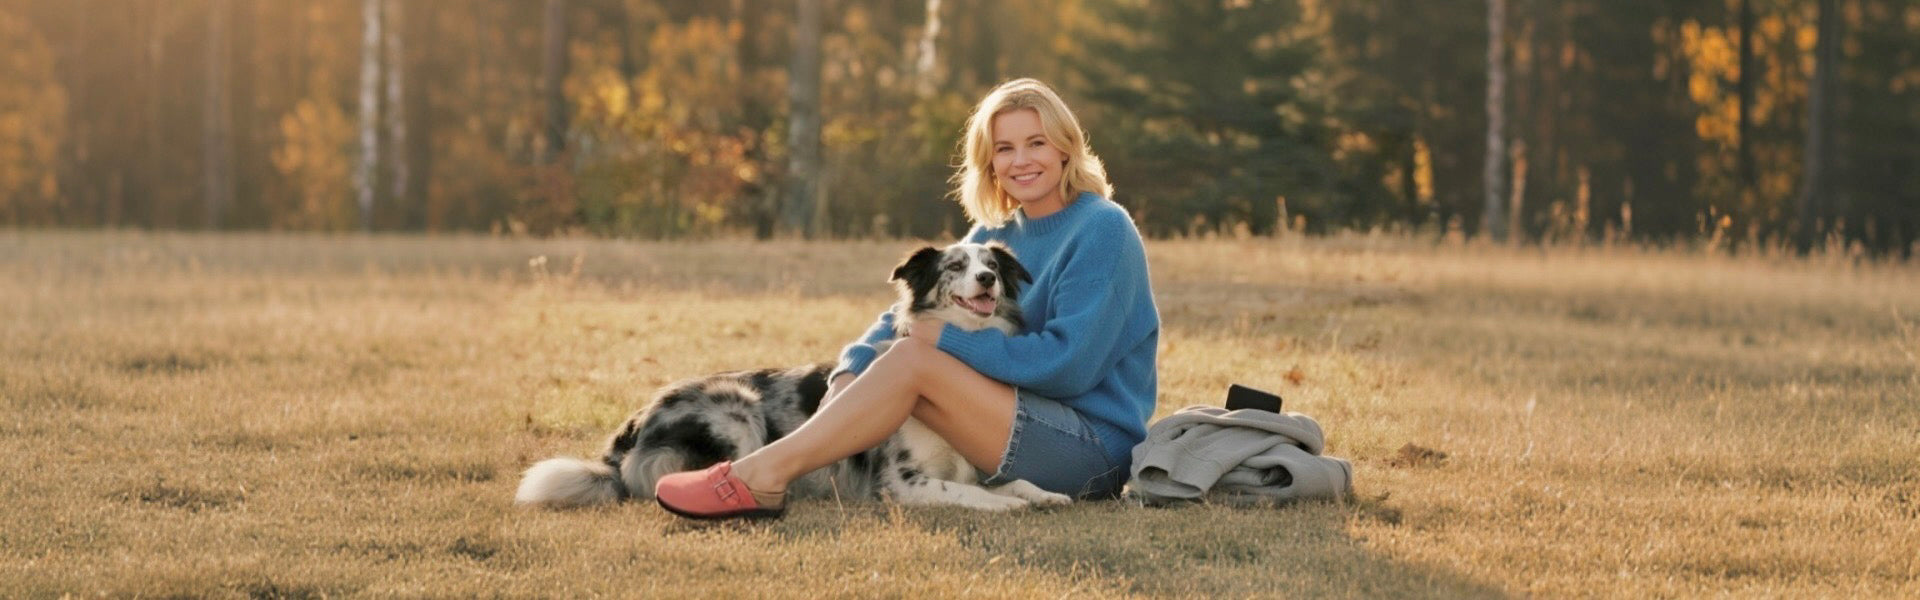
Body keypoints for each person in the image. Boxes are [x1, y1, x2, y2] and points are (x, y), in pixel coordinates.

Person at [653, 78, 1160, 519]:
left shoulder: (1102, 228)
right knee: (909, 355)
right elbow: (907, 314)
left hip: (1089, 448)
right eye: (1004, 148)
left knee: (917, 358)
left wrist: (944, 342)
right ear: (989, 161)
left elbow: (1069, 365)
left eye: (1037, 143)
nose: (1021, 161)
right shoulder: (997, 230)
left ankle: (761, 474)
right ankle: (778, 470)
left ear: (1065, 149)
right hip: (1014, 423)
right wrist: (851, 368)